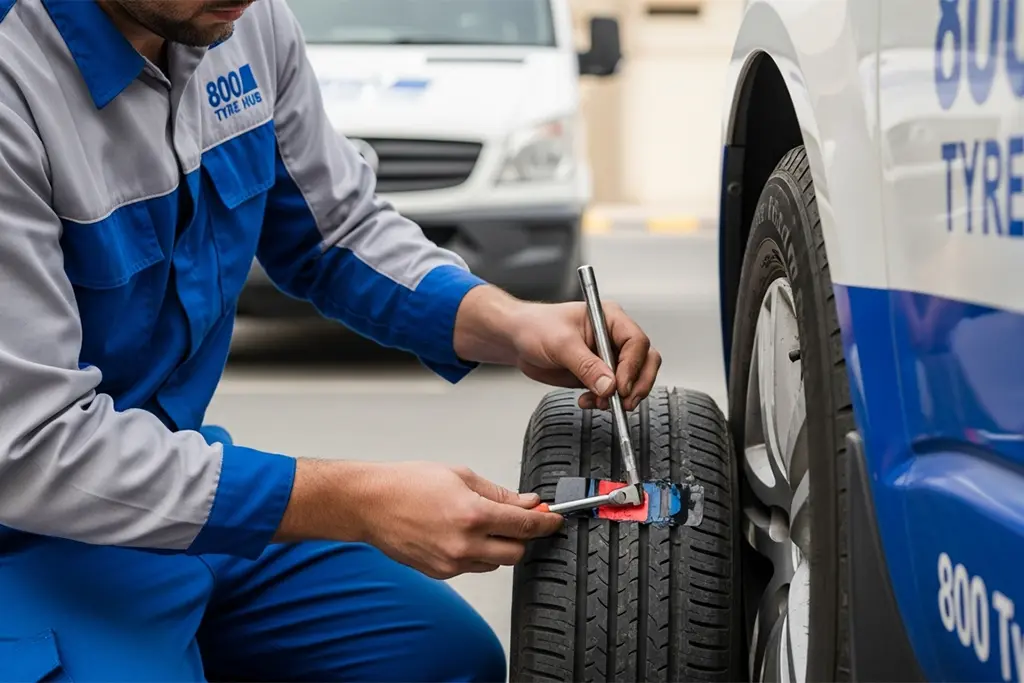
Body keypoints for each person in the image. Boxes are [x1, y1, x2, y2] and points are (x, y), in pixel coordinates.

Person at [0, 0, 662, 681]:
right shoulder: (15, 79)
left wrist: (510, 321)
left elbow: (336, 230)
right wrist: (358, 501)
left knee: (439, 659)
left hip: (178, 488)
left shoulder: (237, 24)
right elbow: (33, 446)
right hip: (29, 532)